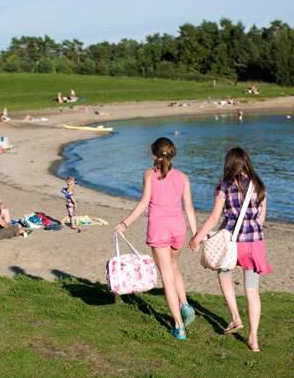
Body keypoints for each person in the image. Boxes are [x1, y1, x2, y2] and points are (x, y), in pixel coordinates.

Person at [114, 137, 198, 340]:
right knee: (175, 266)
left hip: (159, 229)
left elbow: (144, 203)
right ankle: (185, 305)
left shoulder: (149, 175)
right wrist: (196, 235)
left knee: (167, 277)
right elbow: (188, 208)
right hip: (178, 228)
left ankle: (179, 326)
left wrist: (125, 224)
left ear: (153, 154)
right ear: (173, 153)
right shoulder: (183, 177)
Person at [189, 147, 271, 352]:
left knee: (223, 274)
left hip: (233, 242)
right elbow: (261, 219)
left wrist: (197, 238)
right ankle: (253, 338)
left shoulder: (224, 186)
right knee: (252, 290)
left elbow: (214, 218)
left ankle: (235, 317)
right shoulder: (259, 185)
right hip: (255, 243)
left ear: (229, 164)